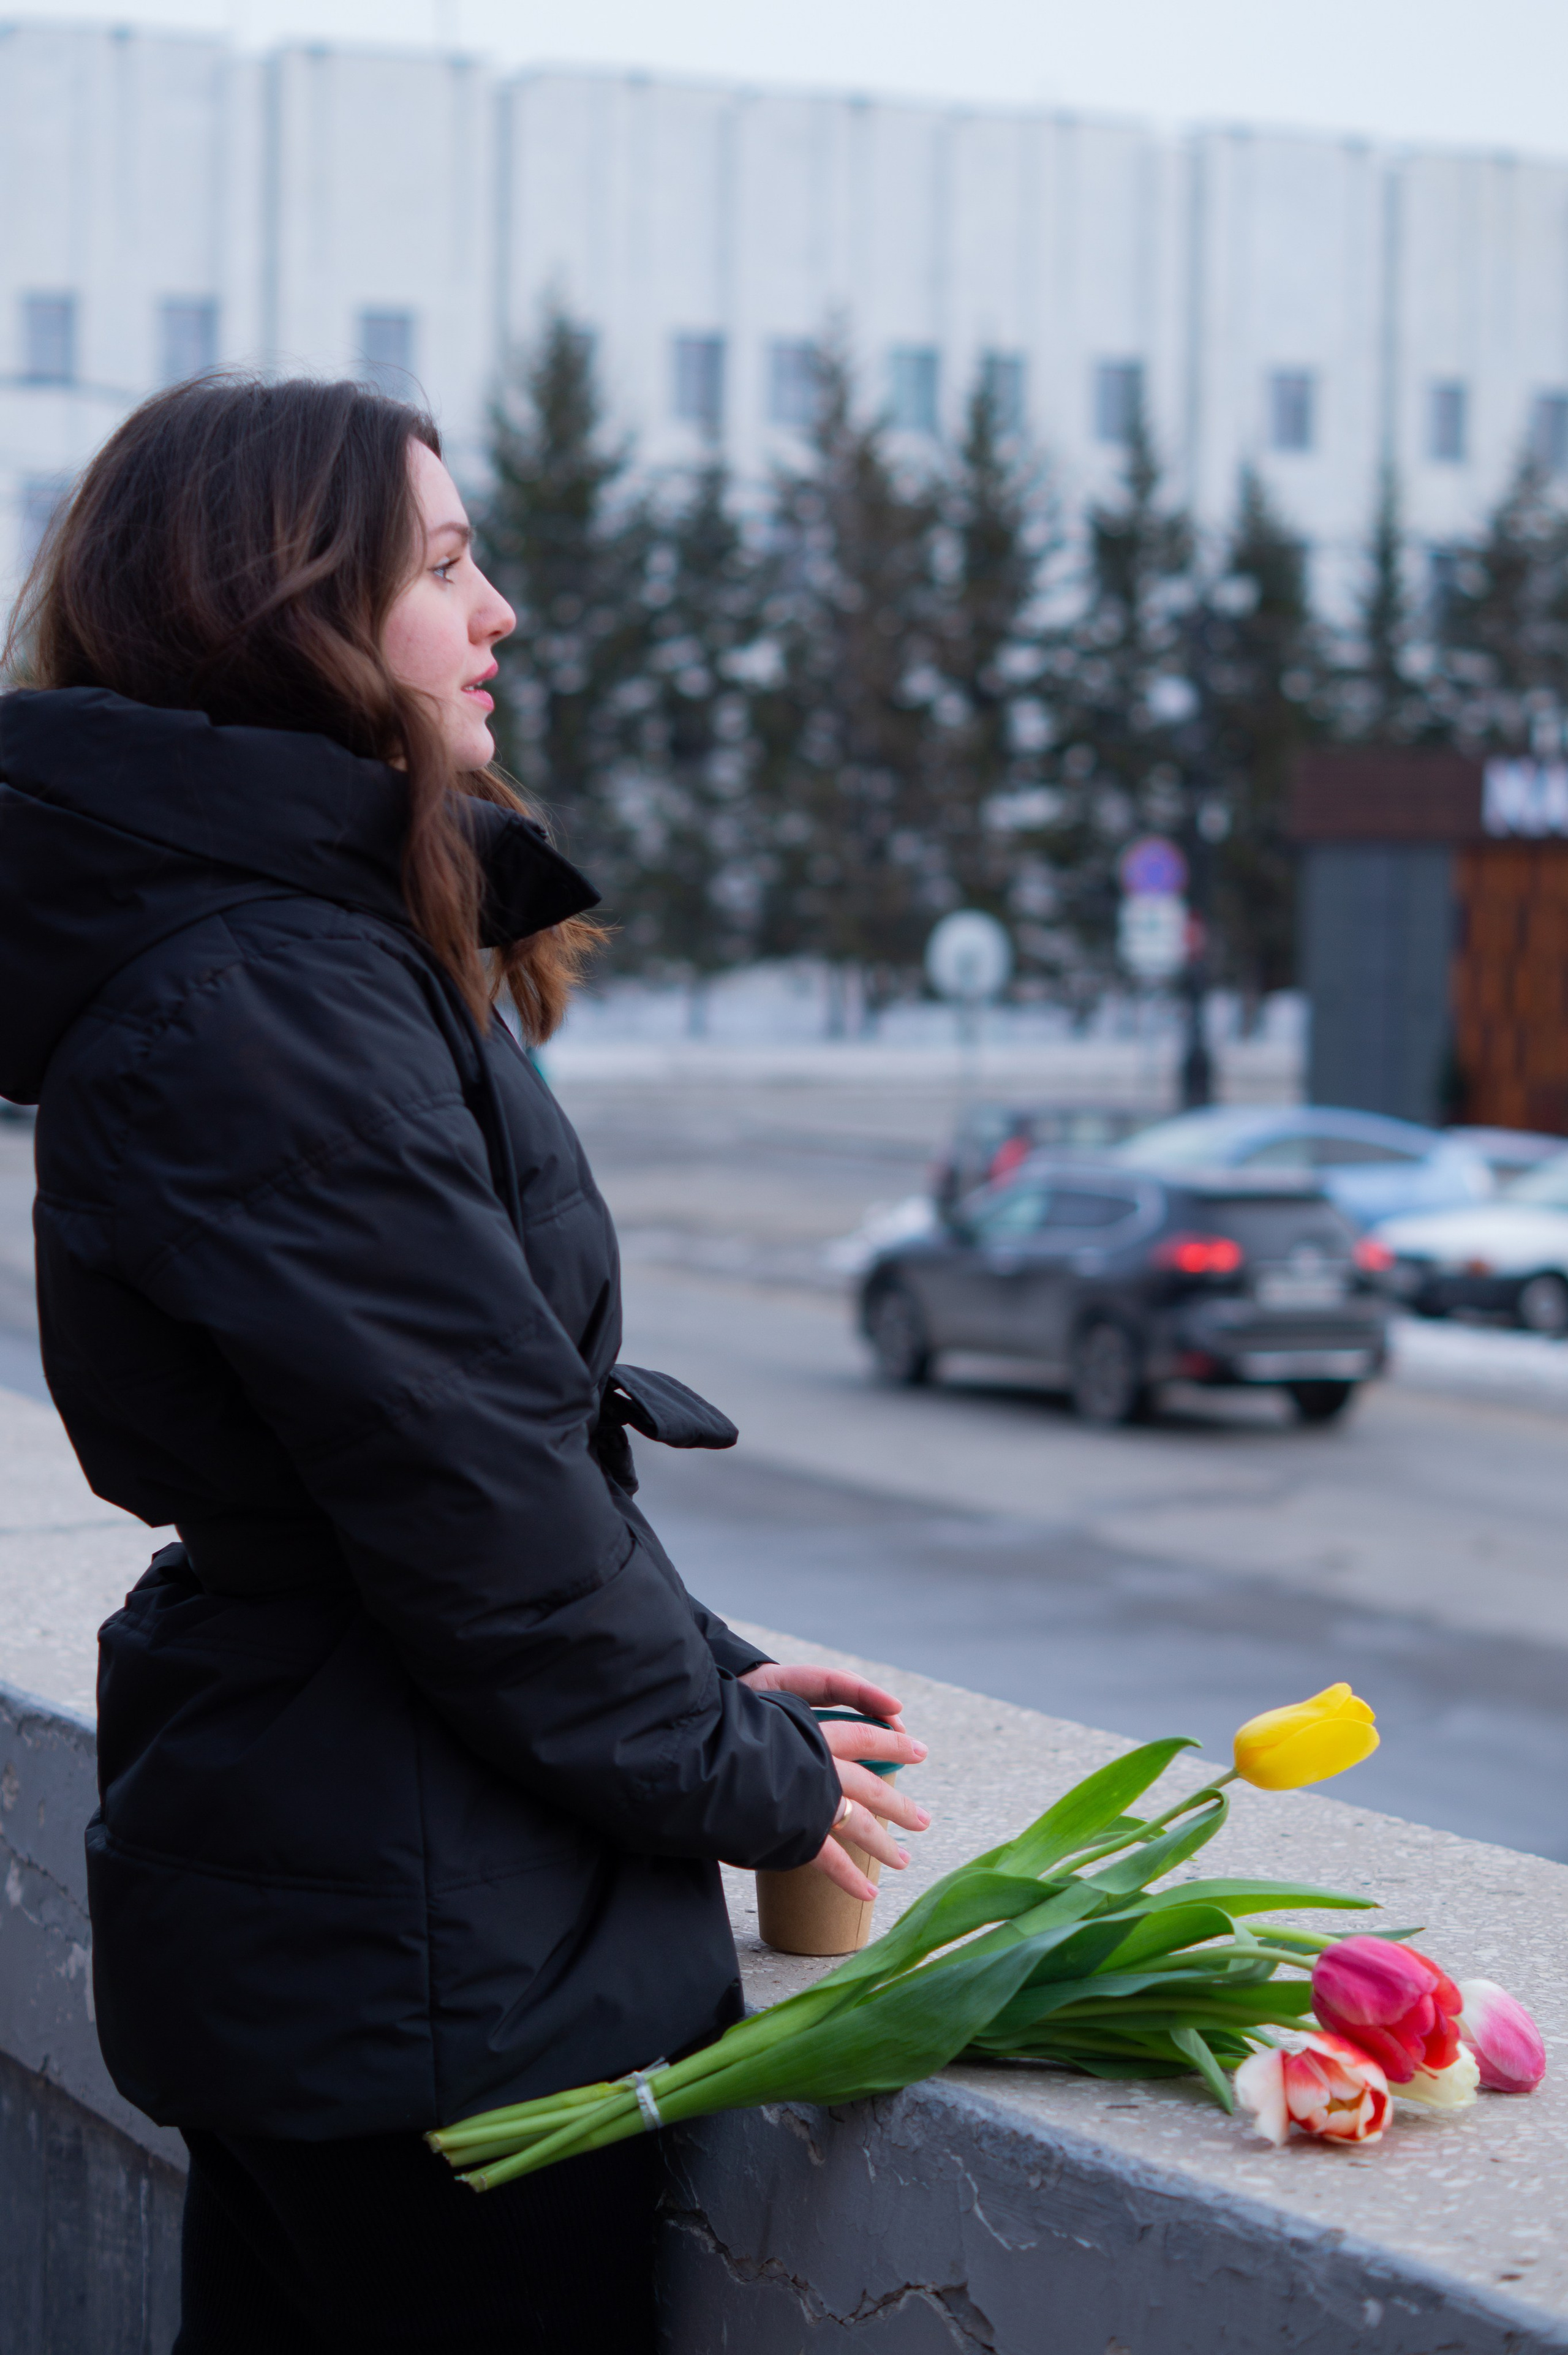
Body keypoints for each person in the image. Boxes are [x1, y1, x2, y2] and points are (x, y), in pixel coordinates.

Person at [0, 378, 929, 2353]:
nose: (499, 609)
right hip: (425, 1967)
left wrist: (708, 1661)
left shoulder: (292, 950)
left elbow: (457, 1442)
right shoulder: (263, 995)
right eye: (442, 565)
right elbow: (465, 1492)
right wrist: (734, 1767)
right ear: (285, 614)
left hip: (379, 1906)